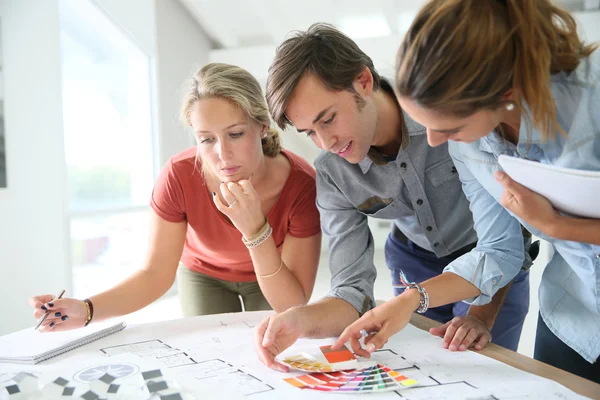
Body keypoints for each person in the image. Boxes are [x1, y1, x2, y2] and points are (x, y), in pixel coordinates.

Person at [337, 0, 600, 382]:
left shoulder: (590, 99)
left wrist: (559, 227)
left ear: (504, 90)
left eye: (449, 126)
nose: (433, 139)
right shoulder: (470, 141)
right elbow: (499, 251)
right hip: (570, 317)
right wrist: (409, 301)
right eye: (426, 123)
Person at [253, 23, 533, 371]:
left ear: (364, 82)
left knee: (487, 371)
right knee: (425, 373)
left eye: (328, 120)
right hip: (412, 260)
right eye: (310, 132)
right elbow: (350, 290)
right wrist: (300, 320)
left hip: (493, 255)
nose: (326, 143)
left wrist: (480, 316)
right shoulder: (332, 171)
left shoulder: (443, 115)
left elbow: (507, 242)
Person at [28, 63, 322, 331]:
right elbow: (154, 274)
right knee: (213, 354)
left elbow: (292, 305)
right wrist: (86, 310)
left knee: (273, 348)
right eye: (206, 139)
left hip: (272, 275)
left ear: (261, 126)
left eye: (235, 134)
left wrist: (256, 231)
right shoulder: (179, 176)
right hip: (203, 275)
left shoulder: (301, 184)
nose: (222, 154)